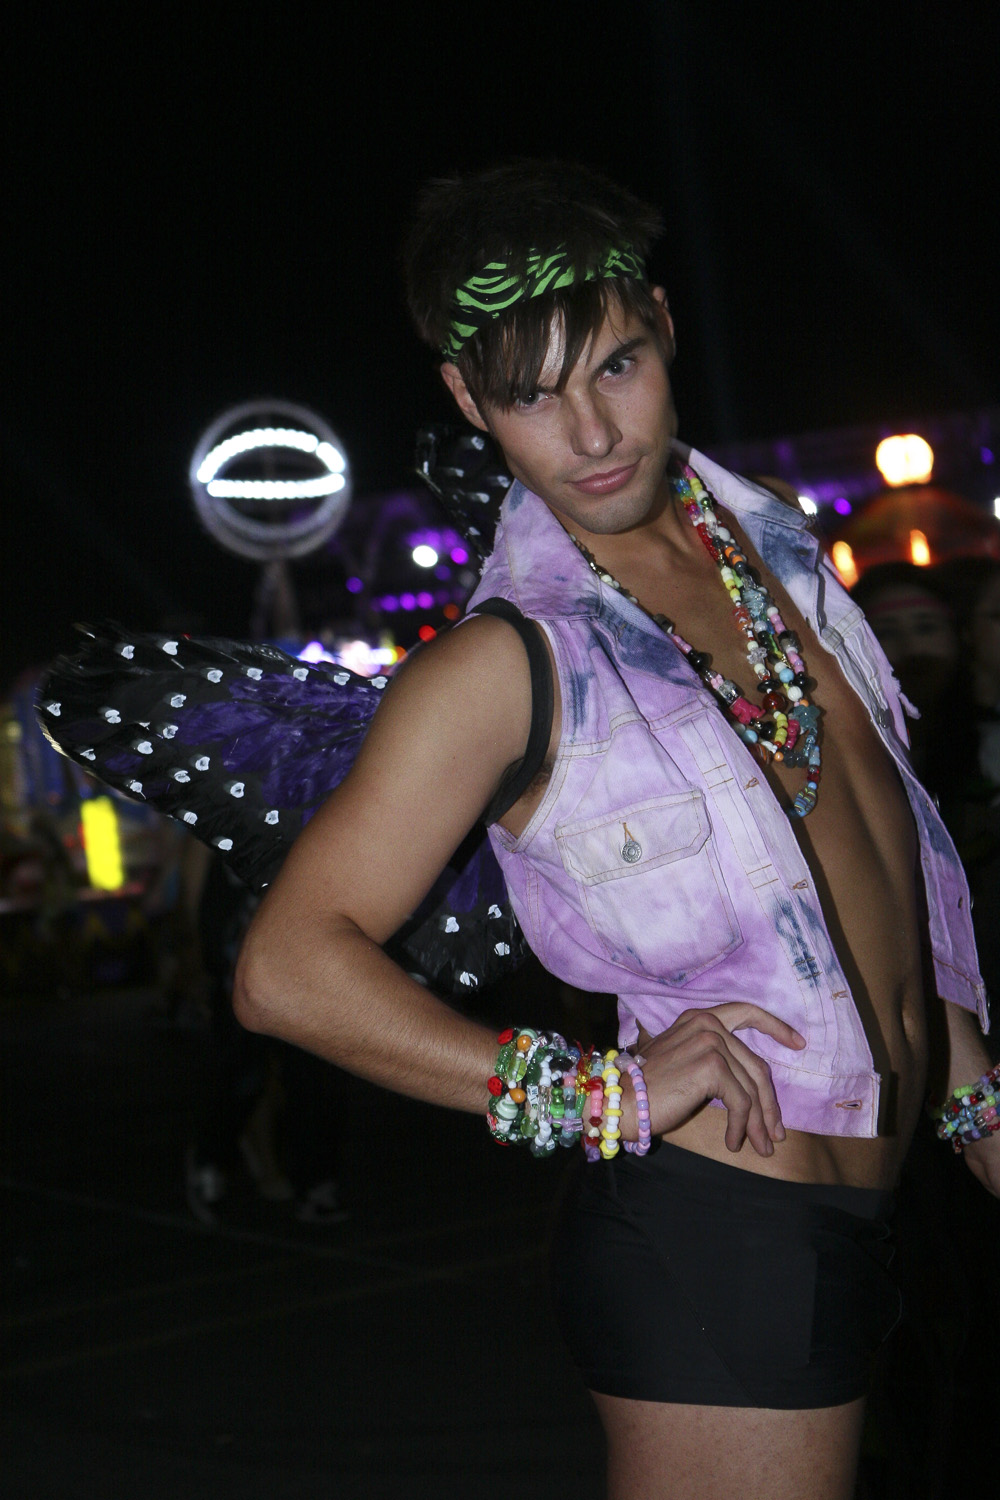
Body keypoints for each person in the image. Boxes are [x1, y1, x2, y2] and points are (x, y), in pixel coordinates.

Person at [232, 161, 997, 1500]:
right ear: (468, 399)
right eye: (532, 395)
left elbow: (871, 866)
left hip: (874, 1203)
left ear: (663, 323)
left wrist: (974, 1101)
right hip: (719, 1233)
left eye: (616, 367)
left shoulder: (774, 552)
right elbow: (287, 967)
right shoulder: (505, 663)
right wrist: (594, 1093)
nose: (591, 433)